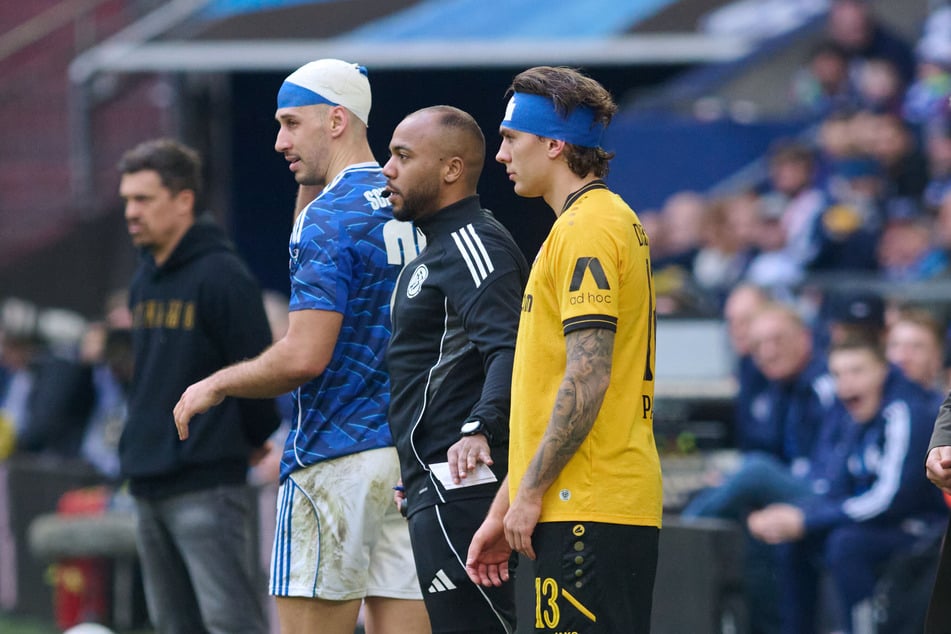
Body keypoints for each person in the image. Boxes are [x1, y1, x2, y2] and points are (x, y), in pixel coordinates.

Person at [172, 59, 430, 634]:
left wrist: (217, 383)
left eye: (291, 123)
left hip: (335, 459)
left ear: (336, 121)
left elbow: (304, 356)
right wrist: (311, 180)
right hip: (410, 460)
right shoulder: (414, 205)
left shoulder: (327, 220)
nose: (279, 141)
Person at [465, 66, 662, 633]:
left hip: (588, 506)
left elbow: (587, 377)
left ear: (554, 144)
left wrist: (529, 494)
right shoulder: (589, 223)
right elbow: (554, 389)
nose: (501, 154)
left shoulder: (587, 229)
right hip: (586, 505)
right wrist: (508, 506)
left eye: (511, 138)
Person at [117, 138, 280, 634]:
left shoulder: (223, 276)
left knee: (231, 624)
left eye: (143, 199)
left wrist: (255, 437)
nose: (131, 212)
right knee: (172, 626)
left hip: (208, 482)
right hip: (147, 481)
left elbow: (259, 369)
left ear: (184, 199)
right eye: (127, 200)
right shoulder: (144, 279)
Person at [383, 105, 528, 632]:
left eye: (403, 156)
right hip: (432, 482)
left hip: (463, 486)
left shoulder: (474, 242)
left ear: (451, 169)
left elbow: (511, 347)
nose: (387, 169)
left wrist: (480, 426)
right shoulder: (435, 250)